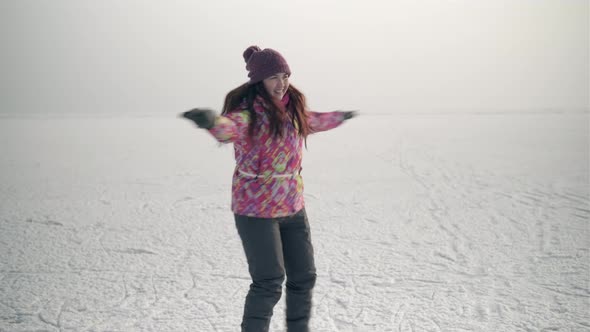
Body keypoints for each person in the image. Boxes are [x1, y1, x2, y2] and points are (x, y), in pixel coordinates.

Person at [181, 45, 357, 332]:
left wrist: (340, 116)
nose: (282, 83)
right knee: (269, 282)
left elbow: (315, 121)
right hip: (255, 211)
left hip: (293, 207)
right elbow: (229, 128)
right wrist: (211, 121)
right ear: (258, 80)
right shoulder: (249, 114)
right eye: (274, 76)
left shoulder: (294, 111)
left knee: (304, 277)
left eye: (285, 75)